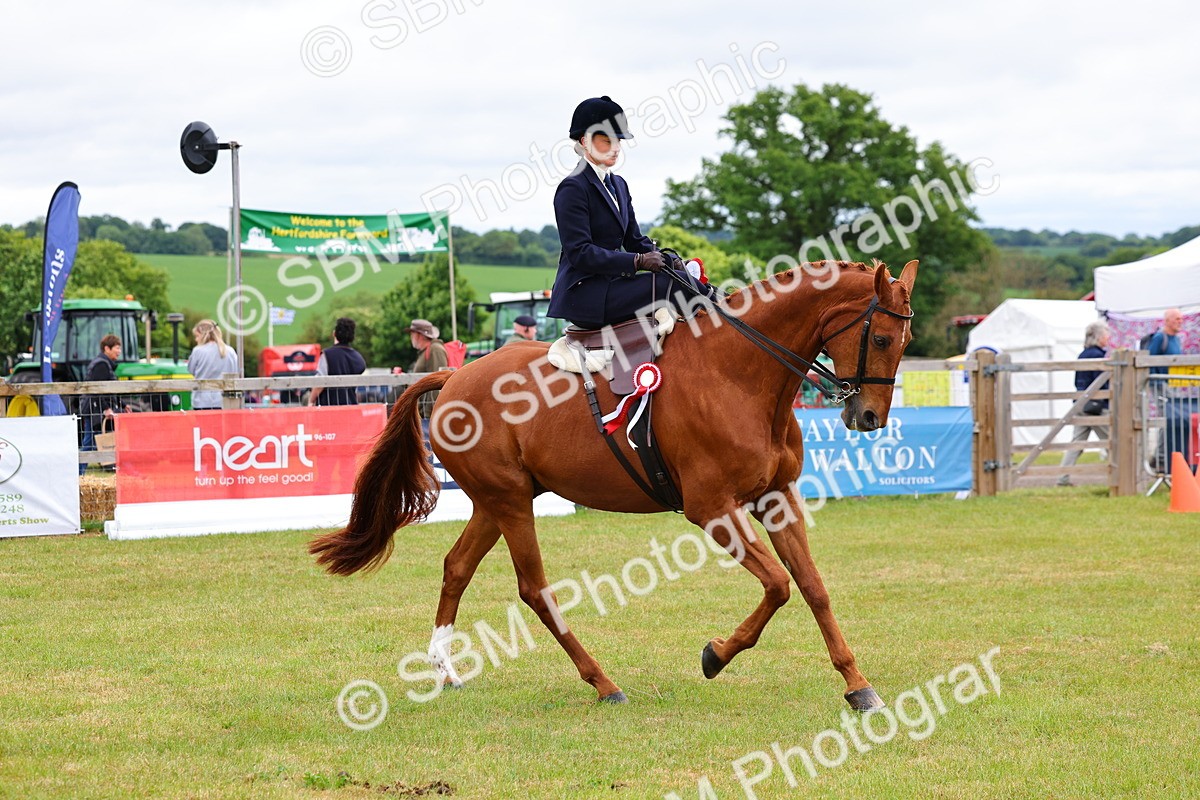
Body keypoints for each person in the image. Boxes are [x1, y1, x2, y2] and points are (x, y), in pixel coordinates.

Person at [547, 95, 720, 330]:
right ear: (584, 141)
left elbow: (634, 240)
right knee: (667, 285)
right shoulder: (573, 187)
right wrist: (637, 261)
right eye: (606, 140)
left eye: (618, 140)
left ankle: (721, 302)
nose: (616, 148)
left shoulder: (618, 184)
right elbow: (580, 252)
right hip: (586, 295)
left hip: (614, 286)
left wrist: (671, 260)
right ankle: (725, 315)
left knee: (677, 277)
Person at [1058, 321, 1110, 486]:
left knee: (1077, 444)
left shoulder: (1083, 354)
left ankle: (1063, 478)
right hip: (1096, 407)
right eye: (1106, 334)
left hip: (1080, 404)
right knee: (1113, 441)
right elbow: (1100, 383)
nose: (1108, 337)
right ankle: (1121, 477)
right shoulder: (1097, 356)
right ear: (1099, 336)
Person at [1147, 308, 1189, 470]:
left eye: (1181, 319)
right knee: (1167, 419)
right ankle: (1161, 457)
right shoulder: (1160, 338)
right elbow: (1149, 361)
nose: (1180, 322)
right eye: (1177, 319)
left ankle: (1162, 455)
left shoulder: (1176, 339)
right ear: (1168, 320)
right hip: (1161, 385)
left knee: (1172, 419)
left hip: (1173, 384)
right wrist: (1156, 383)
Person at [78, 334, 127, 475]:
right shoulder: (101, 365)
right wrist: (106, 408)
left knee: (92, 443)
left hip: (96, 409)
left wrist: (122, 405)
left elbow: (109, 390)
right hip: (94, 410)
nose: (119, 351)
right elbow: (96, 390)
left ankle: (81, 474)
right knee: (89, 444)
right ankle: (78, 475)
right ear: (107, 348)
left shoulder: (104, 364)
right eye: (117, 348)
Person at [308, 317, 367, 406]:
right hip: (351, 406)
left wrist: (311, 401)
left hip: (328, 407)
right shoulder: (358, 357)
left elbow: (320, 382)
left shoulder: (327, 355)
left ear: (334, 333)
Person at [187, 319, 239, 410]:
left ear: (203, 335)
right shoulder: (230, 351)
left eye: (197, 336)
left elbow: (191, 370)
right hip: (226, 400)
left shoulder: (198, 351)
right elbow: (235, 371)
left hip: (202, 401)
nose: (196, 339)